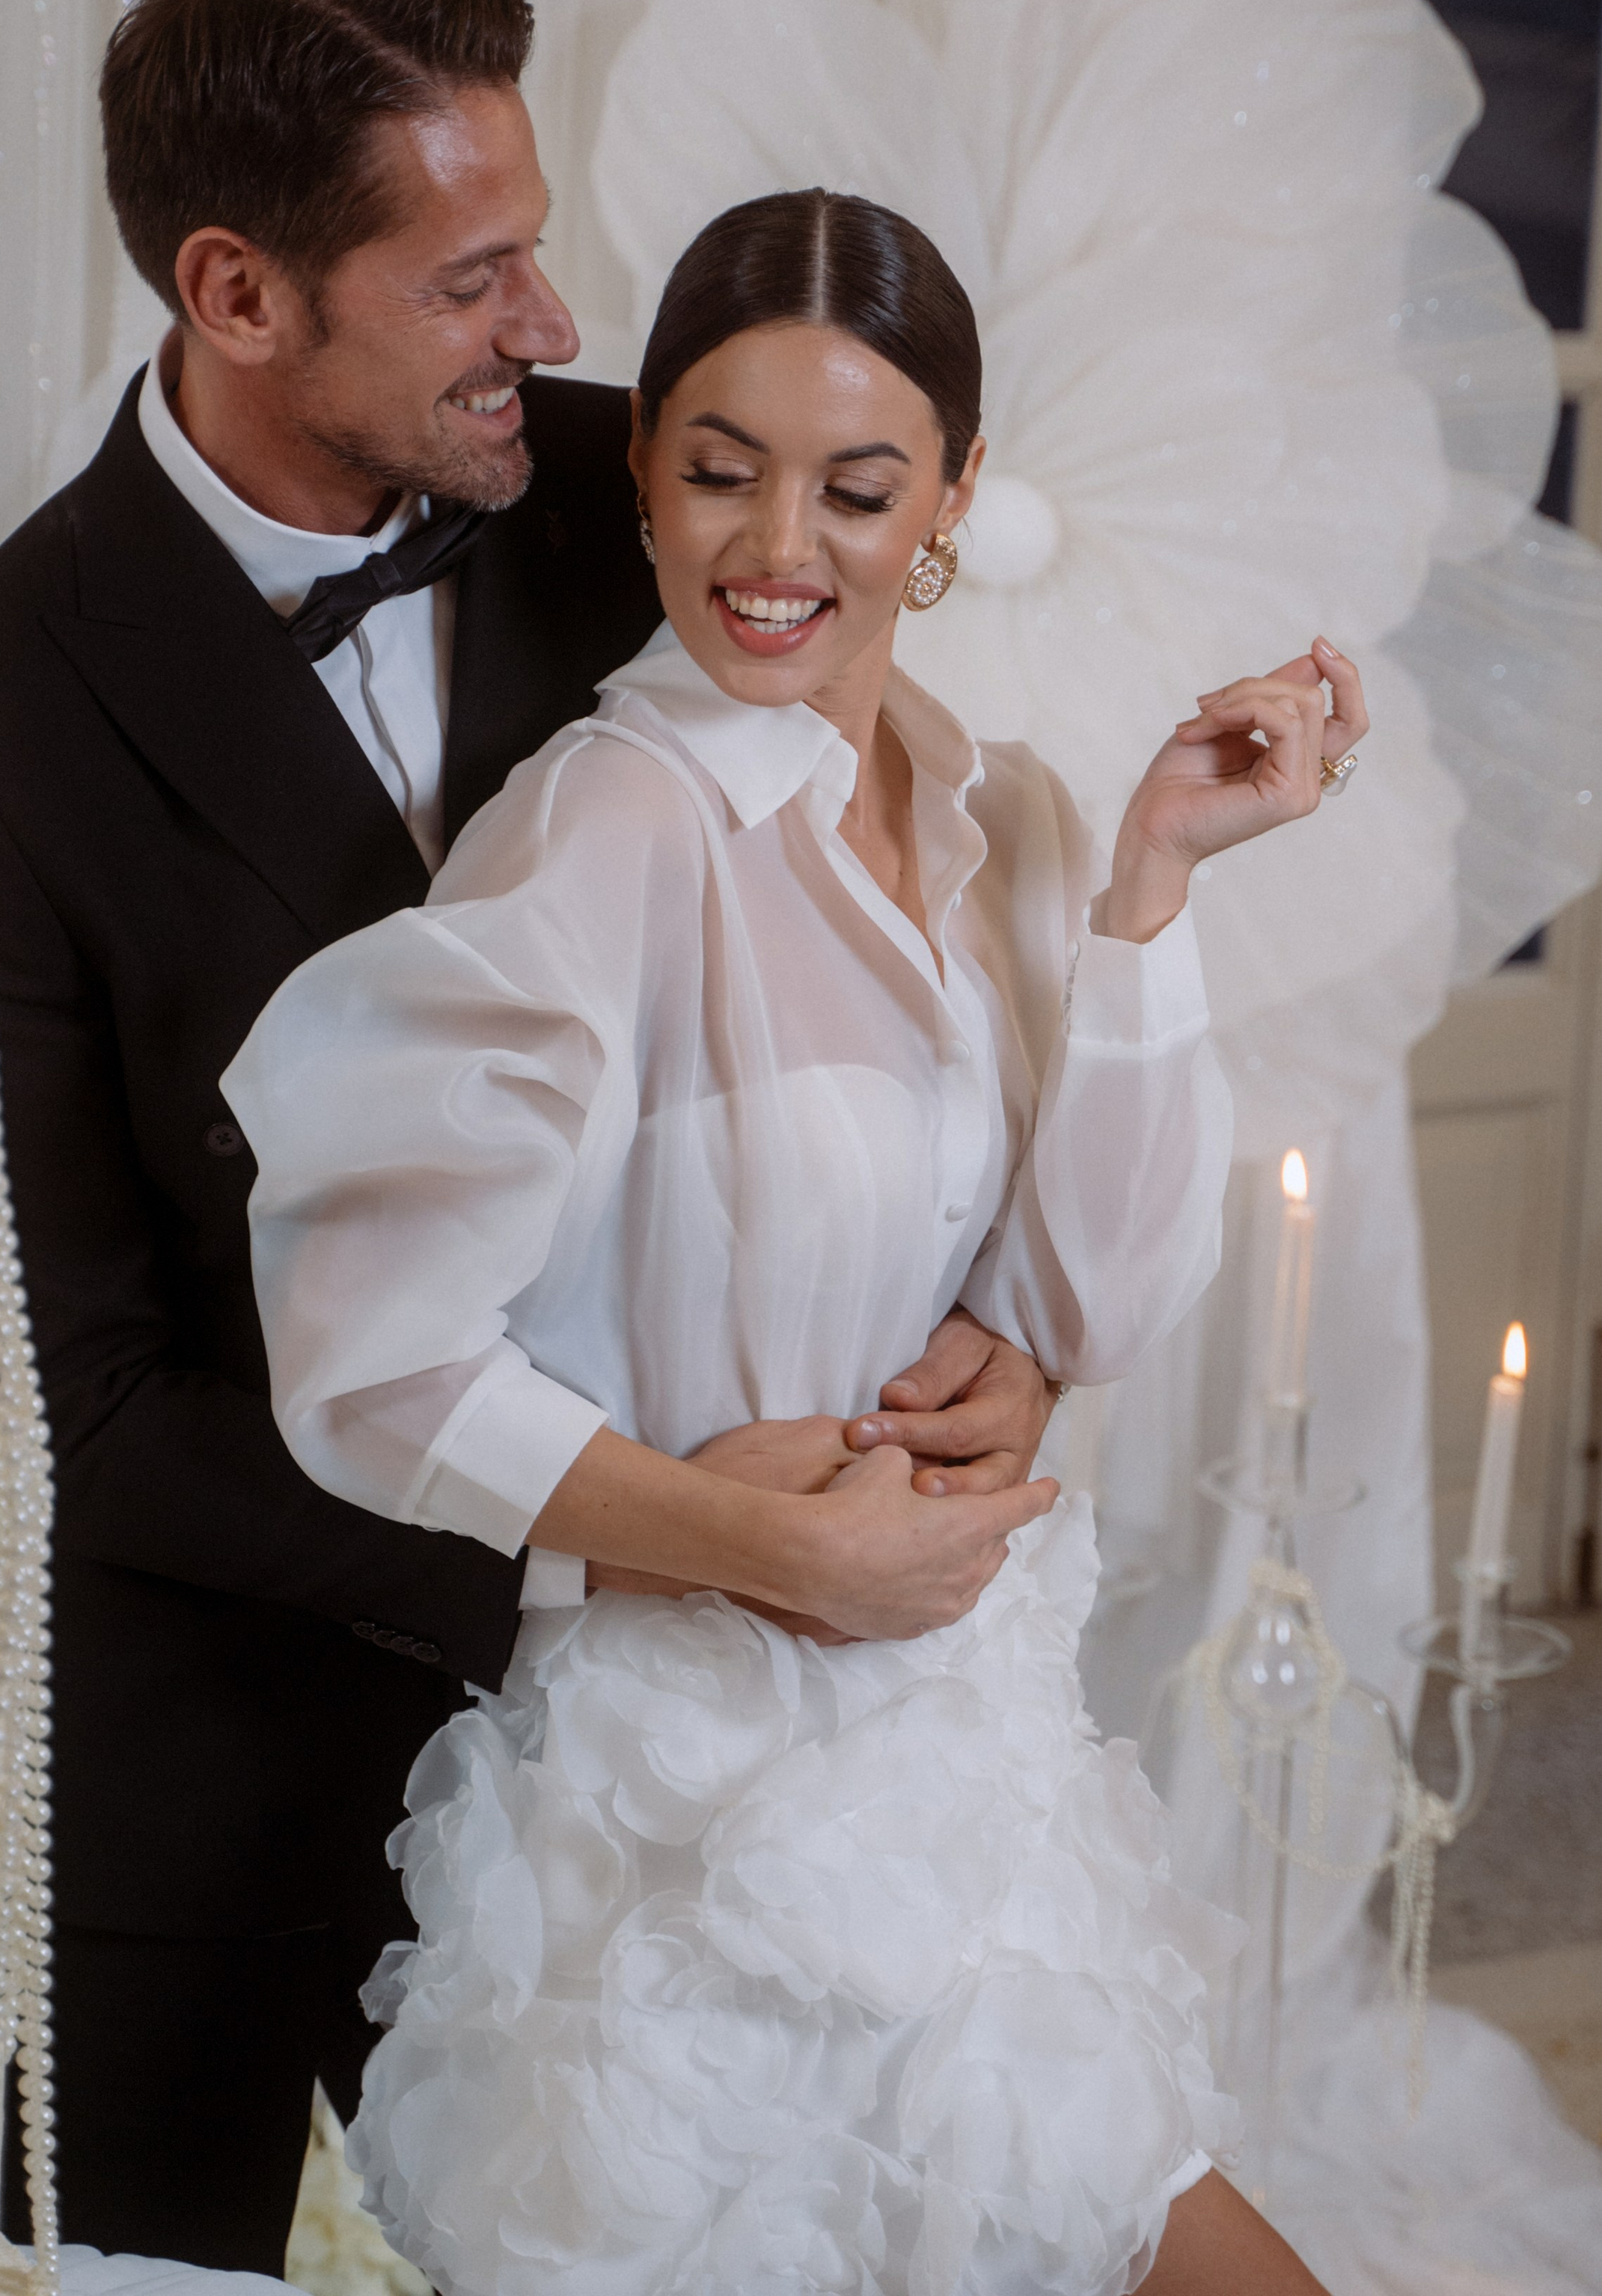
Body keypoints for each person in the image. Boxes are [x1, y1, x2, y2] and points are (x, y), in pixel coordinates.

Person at [0, 0, 1054, 2274]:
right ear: (240, 294)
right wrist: (645, 1528)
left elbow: (889, 924)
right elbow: (91, 1401)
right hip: (223, 1769)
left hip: (681, 1760)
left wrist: (994, 1322)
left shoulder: (648, 485)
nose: (554, 328)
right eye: (477, 276)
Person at [224, 189, 1365, 2294]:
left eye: (857, 489)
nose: (778, 552)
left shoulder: (988, 808)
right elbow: (365, 1350)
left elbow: (1086, 1300)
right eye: (722, 471)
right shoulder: (606, 827)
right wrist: (751, 1540)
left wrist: (1146, 893)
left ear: (952, 497)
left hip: (966, 1763)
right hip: (694, 1811)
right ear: (644, 456)